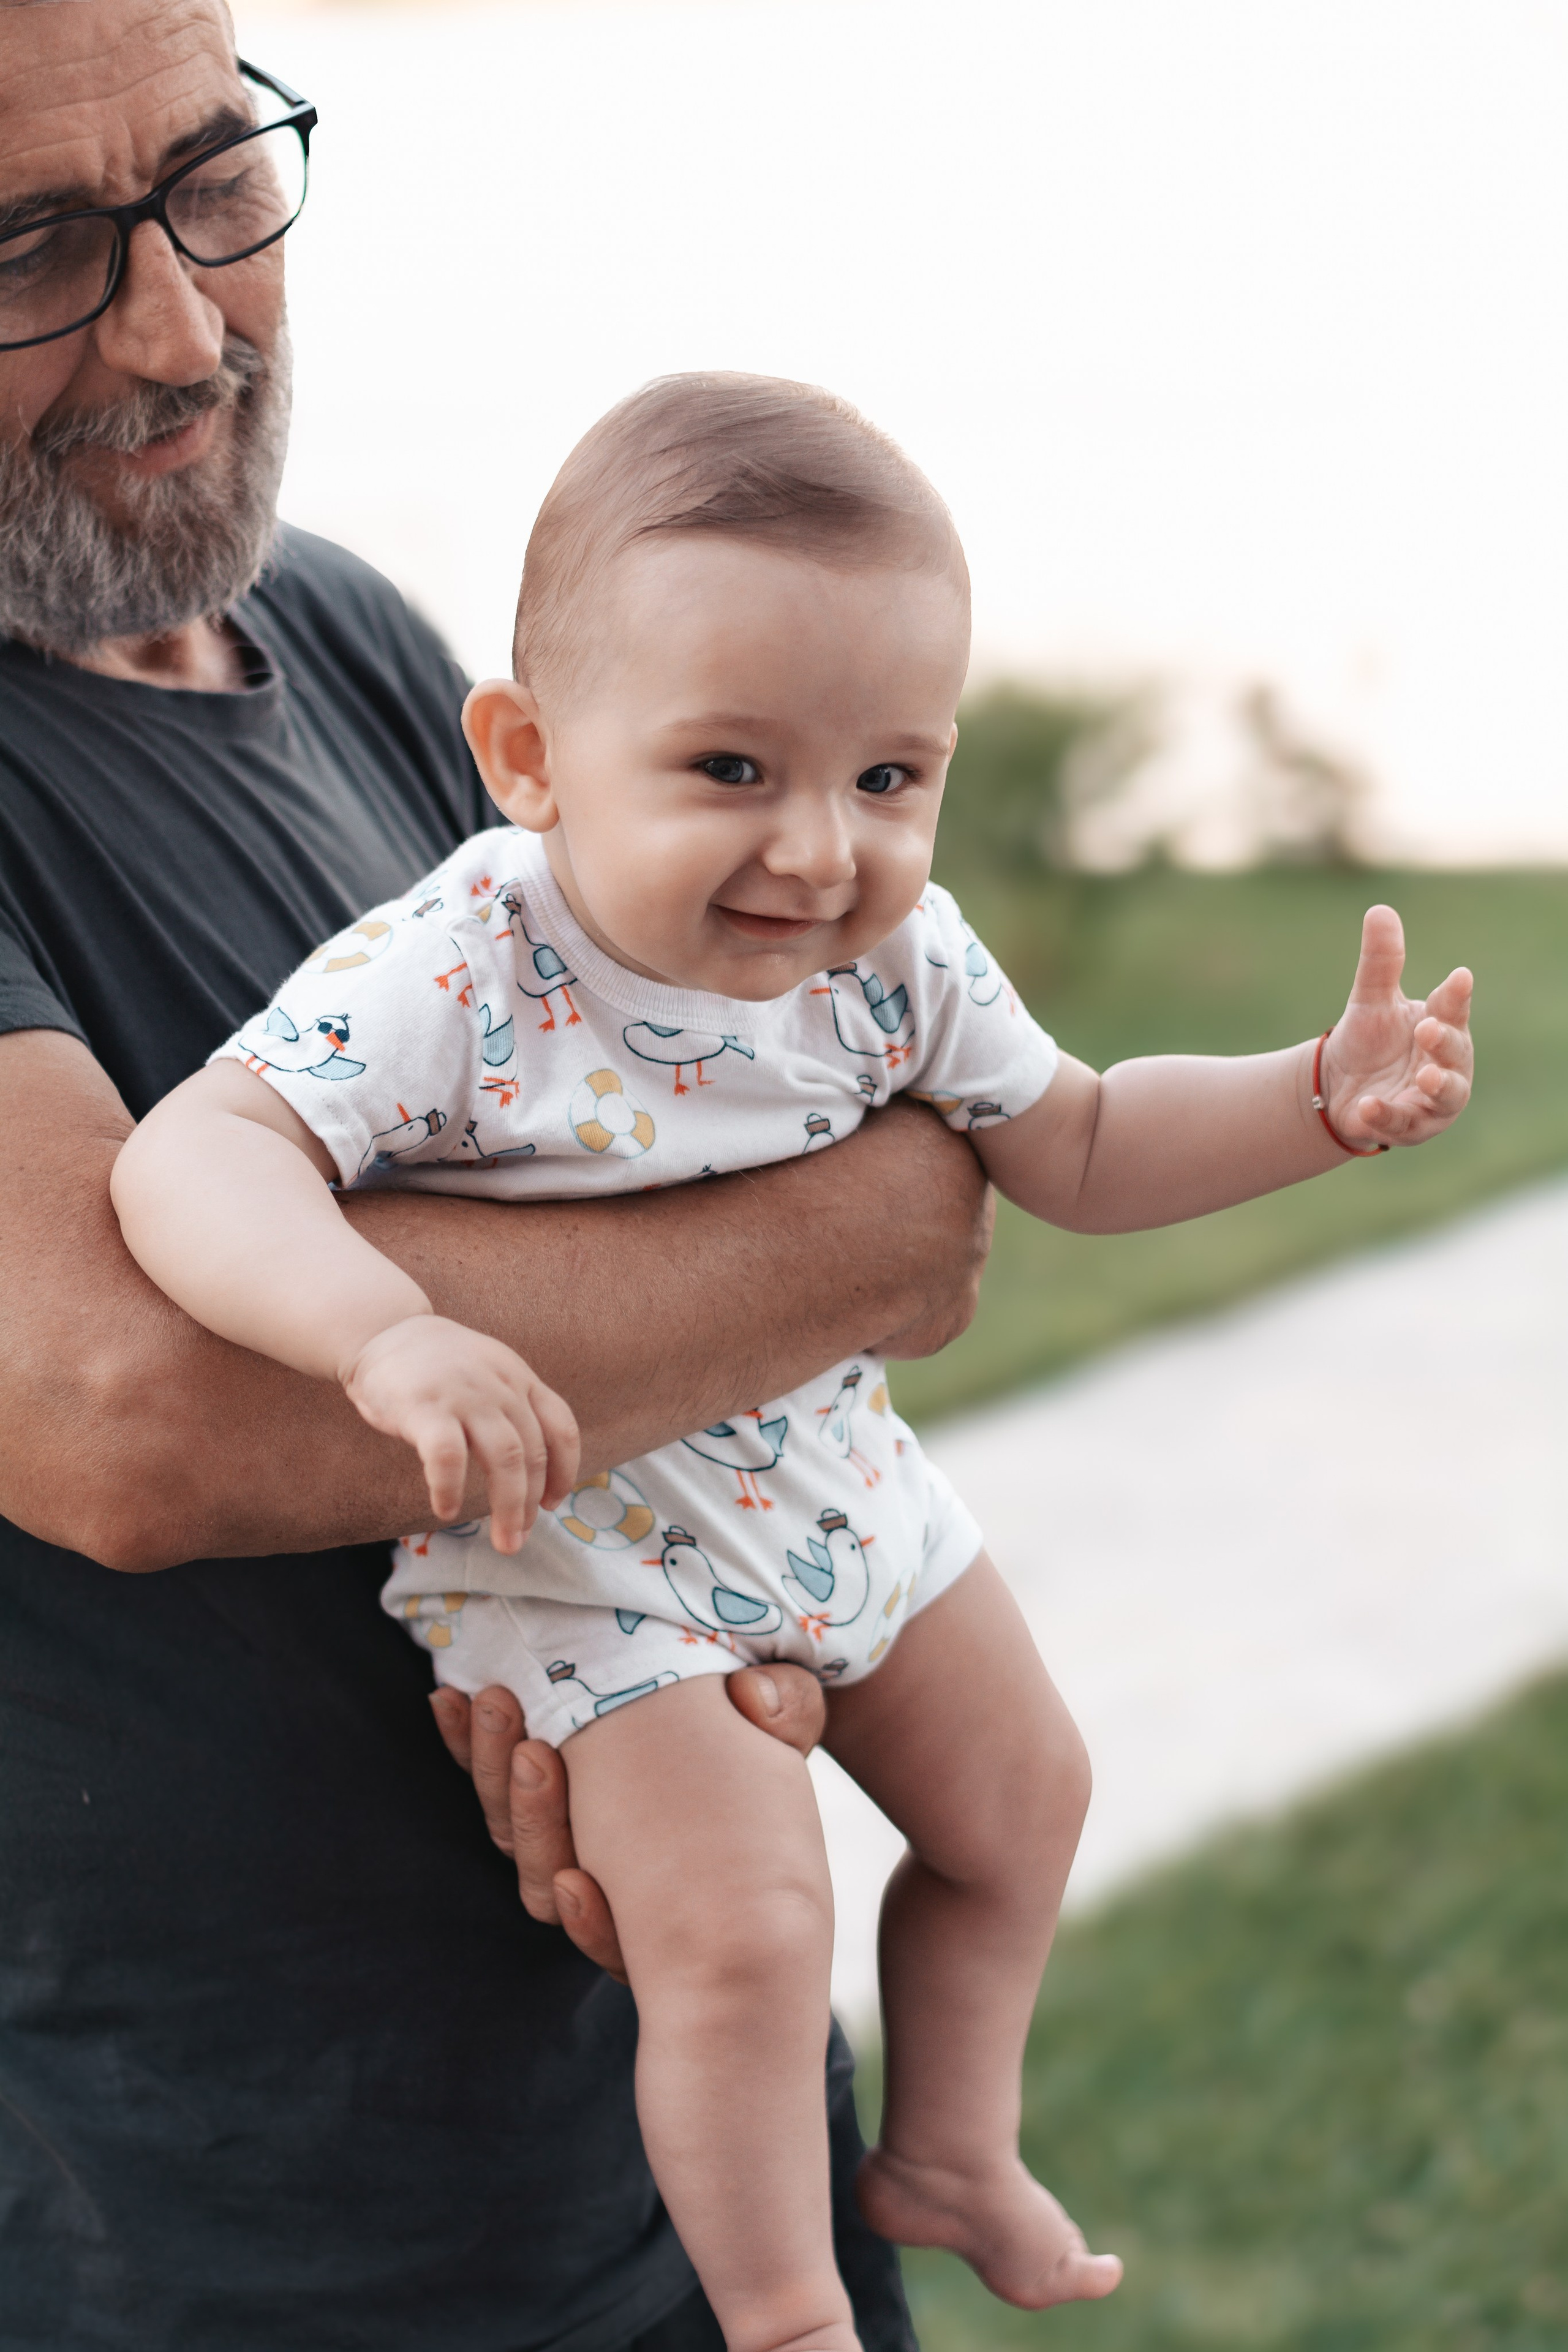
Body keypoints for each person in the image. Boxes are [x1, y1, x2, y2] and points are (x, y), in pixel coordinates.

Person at [112, 372, 1476, 2352]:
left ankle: (949, 2148)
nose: (821, 850)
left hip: (838, 1494)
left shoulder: (892, 967)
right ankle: (784, 2312)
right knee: (745, 1932)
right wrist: (383, 1332)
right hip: (575, 1557)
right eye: (733, 770)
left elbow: (1078, 1141)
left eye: (890, 779)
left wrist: (1309, 1100)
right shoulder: (463, 963)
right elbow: (200, 1156)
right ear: (530, 757)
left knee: (1025, 1796)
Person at [0, 12, 994, 2348]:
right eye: (34, 245)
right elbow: (135, 1402)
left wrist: (672, 1626)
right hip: (211, 2234)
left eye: (217, 183)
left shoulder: (340, 629)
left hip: (645, 2100)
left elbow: (643, 1096)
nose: (174, 326)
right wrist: (886, 1232)